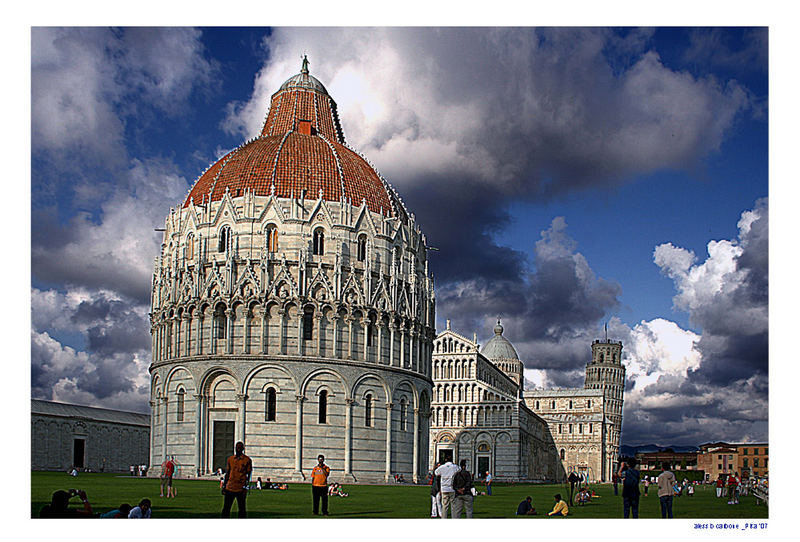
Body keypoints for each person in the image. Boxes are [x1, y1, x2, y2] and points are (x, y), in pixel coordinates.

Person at [221, 441, 252, 518]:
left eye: (240, 448)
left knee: (242, 509)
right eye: (237, 448)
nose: (238, 449)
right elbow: (228, 473)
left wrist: (246, 487)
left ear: (243, 449)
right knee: (226, 509)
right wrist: (224, 485)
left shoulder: (247, 460)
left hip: (240, 488)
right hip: (230, 487)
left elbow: (248, 474)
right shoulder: (230, 459)